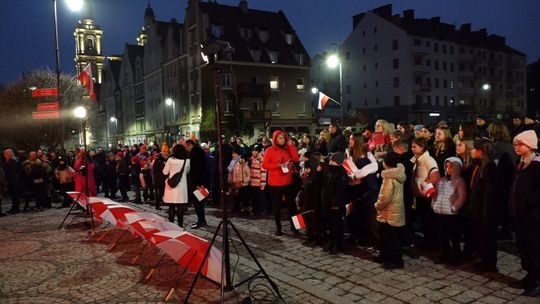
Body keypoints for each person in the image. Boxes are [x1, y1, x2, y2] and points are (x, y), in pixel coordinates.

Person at [465, 138, 502, 273]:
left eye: (474, 149)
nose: (471, 150)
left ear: (481, 151)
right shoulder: (479, 165)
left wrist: (486, 213)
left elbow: (490, 194)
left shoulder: (490, 168)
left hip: (486, 211)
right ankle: (483, 259)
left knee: (488, 238)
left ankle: (489, 263)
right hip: (477, 209)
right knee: (481, 236)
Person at [510, 130, 540, 297]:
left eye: (520, 144)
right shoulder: (520, 162)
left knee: (534, 248)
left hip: (533, 216)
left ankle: (537, 279)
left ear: (530, 146)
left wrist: (529, 200)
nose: (516, 147)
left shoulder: (536, 165)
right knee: (523, 247)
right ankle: (530, 274)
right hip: (520, 214)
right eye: (515, 144)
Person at [262, 130, 299, 236]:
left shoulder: (287, 149)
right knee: (276, 206)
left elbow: (295, 159)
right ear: (275, 139)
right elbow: (264, 165)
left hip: (288, 181)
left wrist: (291, 146)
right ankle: (278, 229)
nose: (282, 140)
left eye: (283, 137)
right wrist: (277, 166)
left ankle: (295, 227)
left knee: (292, 206)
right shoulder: (270, 150)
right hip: (275, 183)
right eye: (280, 138)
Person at [431, 157, 467, 266]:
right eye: (447, 166)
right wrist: (434, 203)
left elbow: (462, 196)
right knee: (443, 235)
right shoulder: (442, 180)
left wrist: (454, 207)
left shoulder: (459, 181)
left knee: (454, 237)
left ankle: (456, 257)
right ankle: (444, 254)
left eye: (451, 167)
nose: (448, 169)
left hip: (452, 214)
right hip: (441, 212)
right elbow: (437, 193)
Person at [374, 152, 406, 269]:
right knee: (389, 236)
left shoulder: (388, 178)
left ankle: (394, 260)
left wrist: (377, 205)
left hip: (389, 212)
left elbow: (385, 197)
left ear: (386, 164)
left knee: (390, 238)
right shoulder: (398, 174)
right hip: (395, 210)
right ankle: (385, 256)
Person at [410, 137, 440, 250]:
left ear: (422, 147)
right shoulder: (417, 159)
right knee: (424, 220)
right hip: (419, 196)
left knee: (429, 220)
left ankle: (432, 243)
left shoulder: (429, 160)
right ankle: (428, 241)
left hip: (426, 196)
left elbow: (435, 177)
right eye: (412, 146)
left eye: (415, 147)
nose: (412, 149)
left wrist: (425, 185)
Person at [322, 152, 348, 254]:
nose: (330, 162)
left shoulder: (341, 173)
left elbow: (340, 190)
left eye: (332, 160)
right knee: (330, 224)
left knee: (337, 224)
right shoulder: (330, 171)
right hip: (328, 202)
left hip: (336, 204)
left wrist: (336, 203)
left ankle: (338, 245)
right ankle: (331, 242)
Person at [162, 144, 191, 227]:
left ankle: (171, 225)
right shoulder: (187, 160)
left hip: (171, 185)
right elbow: (187, 171)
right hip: (181, 187)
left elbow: (165, 172)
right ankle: (180, 226)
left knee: (171, 207)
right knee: (180, 207)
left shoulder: (170, 160)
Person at [185, 139, 210, 228]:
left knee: (198, 202)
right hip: (202, 181)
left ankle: (201, 221)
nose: (185, 148)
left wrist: (196, 183)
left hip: (198, 183)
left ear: (189, 145)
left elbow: (196, 170)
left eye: (186, 146)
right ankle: (201, 220)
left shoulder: (195, 153)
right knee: (200, 202)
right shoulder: (199, 151)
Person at [249, 145, 267, 215]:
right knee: (254, 197)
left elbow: (263, 172)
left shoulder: (261, 160)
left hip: (259, 183)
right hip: (253, 182)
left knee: (260, 197)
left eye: (255, 151)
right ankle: (255, 209)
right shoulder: (251, 159)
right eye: (253, 150)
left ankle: (262, 210)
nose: (254, 152)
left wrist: (262, 184)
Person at [3, 149, 22, 214]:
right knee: (13, 195)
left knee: (15, 195)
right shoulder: (9, 161)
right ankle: (13, 207)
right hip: (11, 180)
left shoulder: (13, 161)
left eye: (5, 154)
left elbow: (13, 172)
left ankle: (16, 208)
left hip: (14, 181)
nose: (4, 155)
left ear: (9, 154)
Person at [151, 144, 168, 210]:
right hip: (158, 179)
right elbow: (155, 171)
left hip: (163, 179)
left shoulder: (165, 159)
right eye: (165, 152)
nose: (166, 153)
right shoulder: (158, 160)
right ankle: (157, 205)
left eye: (167, 152)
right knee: (159, 193)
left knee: (161, 192)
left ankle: (159, 204)